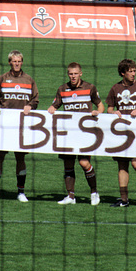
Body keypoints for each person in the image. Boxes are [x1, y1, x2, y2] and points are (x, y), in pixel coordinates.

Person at [0, 50, 39, 202]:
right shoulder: (2, 78)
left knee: (20, 158)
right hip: (4, 125)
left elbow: (35, 99)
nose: (16, 64)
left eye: (19, 61)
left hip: (22, 126)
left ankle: (21, 192)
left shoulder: (29, 80)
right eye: (14, 61)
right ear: (9, 62)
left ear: (22, 62)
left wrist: (31, 106)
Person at [47, 62, 105, 205]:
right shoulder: (62, 89)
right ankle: (70, 196)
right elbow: (54, 105)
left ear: (81, 74)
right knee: (68, 164)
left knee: (84, 163)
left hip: (85, 133)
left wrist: (99, 112)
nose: (73, 76)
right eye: (70, 74)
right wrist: (52, 108)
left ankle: (94, 193)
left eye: (75, 74)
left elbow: (101, 105)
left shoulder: (90, 88)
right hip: (68, 133)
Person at [105, 59, 136, 208]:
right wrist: (114, 112)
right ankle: (124, 199)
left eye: (134, 71)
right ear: (123, 73)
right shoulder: (115, 88)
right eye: (130, 71)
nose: (133, 74)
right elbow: (109, 109)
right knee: (122, 165)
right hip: (121, 133)